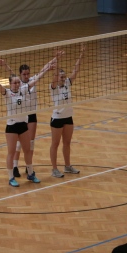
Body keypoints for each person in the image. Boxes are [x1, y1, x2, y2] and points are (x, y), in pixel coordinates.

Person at [0, 61, 55, 187]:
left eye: (18, 82)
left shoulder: (23, 89)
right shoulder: (7, 93)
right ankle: (11, 177)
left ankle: (30, 173)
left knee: (27, 150)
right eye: (14, 82)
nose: (17, 84)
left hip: (23, 125)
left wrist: (46, 70)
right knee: (11, 152)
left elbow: (36, 80)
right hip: (12, 127)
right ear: (10, 84)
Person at [0, 54, 61, 178]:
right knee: (18, 144)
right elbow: (11, 72)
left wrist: (56, 58)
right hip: (21, 115)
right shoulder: (19, 84)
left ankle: (28, 168)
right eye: (24, 74)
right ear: (20, 75)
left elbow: (44, 69)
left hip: (31, 115)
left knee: (30, 143)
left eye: (27, 74)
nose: (26, 76)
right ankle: (15, 166)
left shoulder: (32, 80)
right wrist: (5, 65)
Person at [48, 45, 86, 178]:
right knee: (55, 144)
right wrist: (57, 58)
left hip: (68, 117)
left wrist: (81, 54)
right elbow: (55, 75)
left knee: (67, 143)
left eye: (64, 76)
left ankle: (68, 166)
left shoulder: (68, 83)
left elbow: (76, 69)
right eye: (61, 77)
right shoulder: (53, 87)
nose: (63, 78)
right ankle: (54, 169)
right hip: (57, 119)